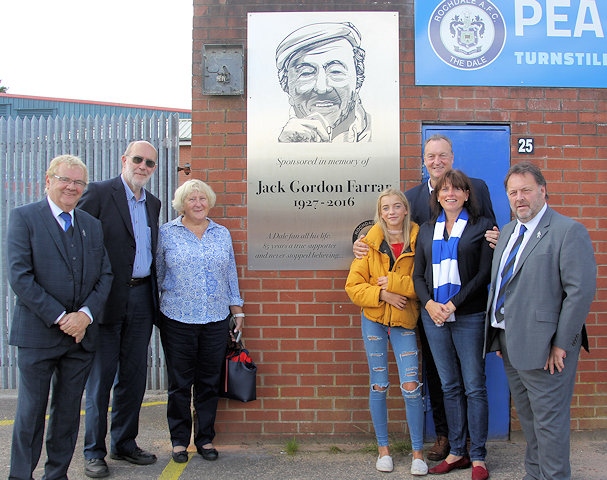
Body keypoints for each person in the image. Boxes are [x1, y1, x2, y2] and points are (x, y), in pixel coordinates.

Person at [354, 133, 497, 462]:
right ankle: (446, 438)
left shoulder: (476, 187)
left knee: (471, 379)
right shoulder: (413, 197)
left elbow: (489, 235)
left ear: (452, 157)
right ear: (423, 160)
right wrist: (360, 241)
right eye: (431, 156)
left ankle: (474, 448)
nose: (437, 162)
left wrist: (497, 237)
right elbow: (389, 229)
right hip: (427, 305)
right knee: (436, 372)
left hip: (465, 306)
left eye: (443, 155)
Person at [485, 162, 596, 480]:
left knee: (550, 424)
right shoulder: (507, 232)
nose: (520, 198)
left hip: (548, 348)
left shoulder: (567, 230)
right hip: (510, 342)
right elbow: (504, 286)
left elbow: (580, 292)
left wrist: (561, 343)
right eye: (513, 192)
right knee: (530, 420)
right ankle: (534, 475)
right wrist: (499, 334)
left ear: (542, 191)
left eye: (526, 190)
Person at [7, 155, 113, 480]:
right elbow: (19, 276)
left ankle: (57, 475)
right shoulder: (24, 218)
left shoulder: (91, 225)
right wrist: (60, 317)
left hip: (80, 339)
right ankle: (20, 475)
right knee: (30, 413)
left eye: (78, 182)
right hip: (38, 336)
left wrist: (84, 315)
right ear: (48, 180)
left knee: (67, 415)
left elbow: (105, 274)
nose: (71, 186)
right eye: (65, 179)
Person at [79, 140, 161, 478]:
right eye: (138, 159)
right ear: (124, 159)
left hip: (142, 298)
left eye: (150, 163)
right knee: (100, 379)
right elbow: (78, 246)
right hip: (106, 300)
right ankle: (94, 452)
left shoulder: (153, 204)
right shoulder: (98, 193)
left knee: (133, 376)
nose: (143, 166)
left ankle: (124, 443)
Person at [413, 170, 495, 480]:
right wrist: (432, 305)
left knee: (474, 387)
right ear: (437, 195)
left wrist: (453, 305)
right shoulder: (426, 229)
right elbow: (418, 275)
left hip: (468, 316)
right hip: (433, 317)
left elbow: (482, 276)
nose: (450, 193)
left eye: (456, 189)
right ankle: (457, 451)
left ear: (466, 194)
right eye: (444, 189)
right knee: (449, 386)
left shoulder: (482, 227)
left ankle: (478, 458)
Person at [156, 179, 245, 464]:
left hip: (215, 318)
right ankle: (179, 441)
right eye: (191, 199)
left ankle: (204, 438)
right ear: (181, 204)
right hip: (177, 318)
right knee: (180, 384)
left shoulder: (221, 233)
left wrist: (237, 310)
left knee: (208, 382)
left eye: (202, 199)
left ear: (209, 202)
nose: (197, 204)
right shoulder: (167, 234)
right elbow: (156, 274)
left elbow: (230, 272)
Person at [345, 188, 428, 476]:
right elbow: (353, 287)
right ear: (380, 213)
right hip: (374, 320)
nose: (391, 213)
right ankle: (384, 450)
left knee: (410, 386)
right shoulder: (369, 243)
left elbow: (423, 284)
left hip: (404, 320)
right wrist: (383, 295)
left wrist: (392, 283)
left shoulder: (420, 241)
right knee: (379, 383)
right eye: (386, 208)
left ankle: (418, 453)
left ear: (405, 210)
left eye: (396, 207)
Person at [275, 21, 371, 142]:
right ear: (287, 86)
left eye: (336, 71)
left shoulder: (381, 134)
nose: (322, 88)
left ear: (358, 82)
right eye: (306, 73)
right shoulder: (273, 138)